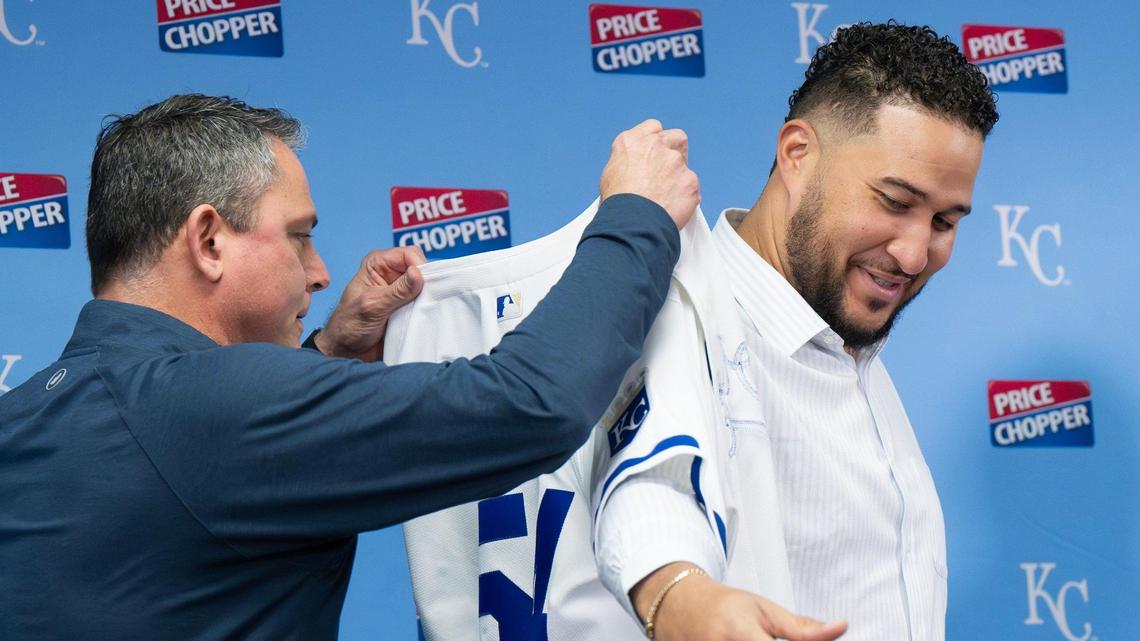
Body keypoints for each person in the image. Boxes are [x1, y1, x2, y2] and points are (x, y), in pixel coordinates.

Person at [0, 94, 698, 640]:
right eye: (299, 236)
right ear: (209, 239)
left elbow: (197, 478)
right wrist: (636, 216)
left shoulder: (27, 418)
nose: (320, 271)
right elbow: (527, 404)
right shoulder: (210, 409)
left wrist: (327, 353)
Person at [595, 22, 999, 641]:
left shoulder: (845, 340)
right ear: (798, 156)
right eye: (894, 202)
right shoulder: (678, 311)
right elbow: (648, 485)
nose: (917, 253)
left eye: (944, 220)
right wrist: (678, 596)